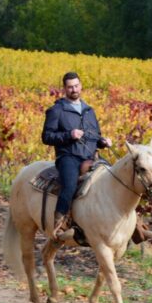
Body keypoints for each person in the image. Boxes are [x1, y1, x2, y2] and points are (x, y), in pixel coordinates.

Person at [41, 72, 111, 240]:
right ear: (64, 89)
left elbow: (95, 136)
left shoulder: (89, 111)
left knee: (114, 179)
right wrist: (68, 135)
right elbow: (46, 137)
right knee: (70, 186)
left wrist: (103, 141)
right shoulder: (56, 110)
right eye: (70, 87)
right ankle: (59, 224)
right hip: (68, 157)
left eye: (76, 86)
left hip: (90, 157)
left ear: (81, 86)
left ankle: (135, 228)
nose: (74, 89)